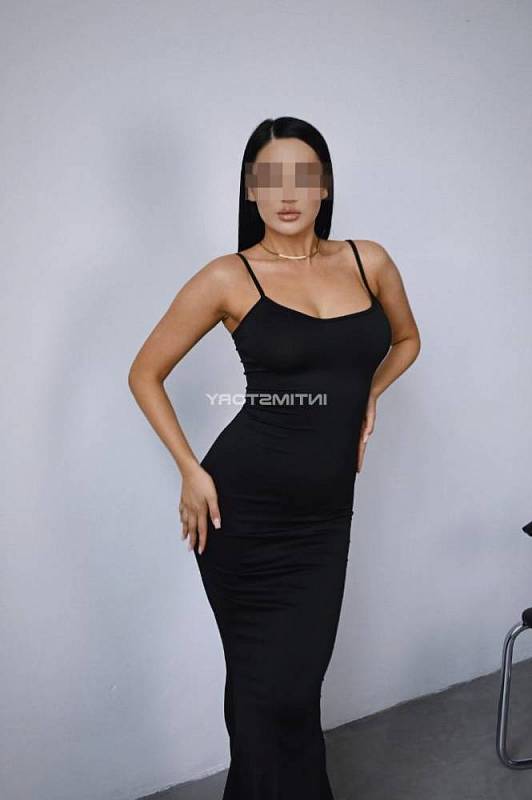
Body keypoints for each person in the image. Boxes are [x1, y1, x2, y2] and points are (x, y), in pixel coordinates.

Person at [128, 116, 421, 799]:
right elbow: (145, 373)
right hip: (242, 512)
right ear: (250, 190)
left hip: (324, 518)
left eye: (303, 175)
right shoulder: (228, 276)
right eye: (270, 177)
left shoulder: (368, 261)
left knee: (292, 692)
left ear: (325, 187)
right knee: (266, 694)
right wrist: (190, 469)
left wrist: (369, 393)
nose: (287, 193)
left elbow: (406, 340)